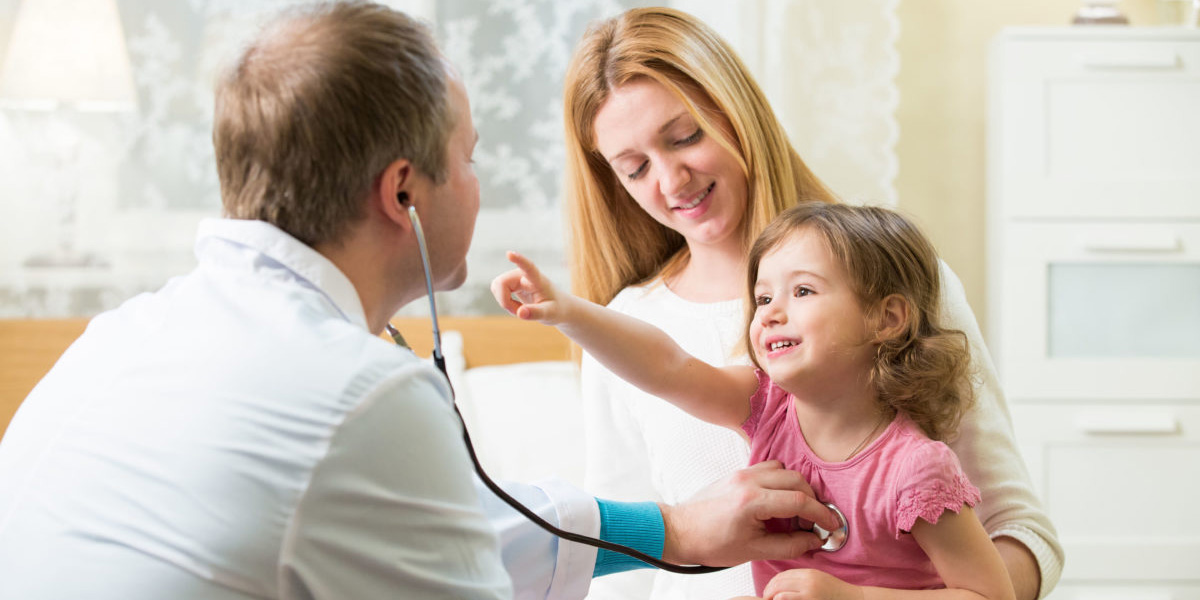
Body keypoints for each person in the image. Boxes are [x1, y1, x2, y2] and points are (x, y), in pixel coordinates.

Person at [0, 3, 840, 599]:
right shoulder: (359, 395)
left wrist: (675, 528)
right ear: (404, 192)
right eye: (469, 157)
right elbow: (462, 561)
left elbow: (454, 530)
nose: (479, 183)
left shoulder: (117, 339)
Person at [560, 7, 1062, 600]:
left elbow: (1020, 529)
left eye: (686, 136)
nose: (671, 182)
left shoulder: (889, 284)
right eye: (636, 168)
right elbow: (622, 569)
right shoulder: (623, 331)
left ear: (736, 113)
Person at [493, 202, 1015, 599]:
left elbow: (991, 594)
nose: (769, 313)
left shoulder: (917, 469)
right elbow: (668, 367)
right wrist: (569, 312)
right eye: (764, 297)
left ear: (887, 318)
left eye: (803, 292)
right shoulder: (768, 408)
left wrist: (851, 597)